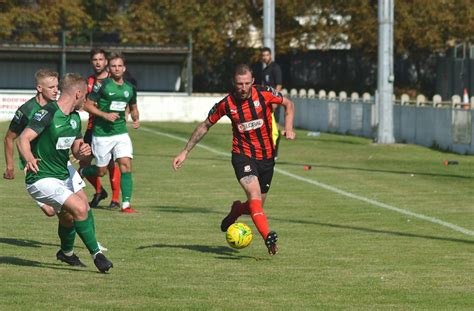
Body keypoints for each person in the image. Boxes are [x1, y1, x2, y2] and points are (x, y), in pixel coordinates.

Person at [172, 64, 295, 255]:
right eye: (239, 84)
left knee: (256, 206)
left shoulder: (265, 93)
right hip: (242, 155)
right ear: (233, 83)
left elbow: (289, 104)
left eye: (247, 83)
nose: (243, 88)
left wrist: (289, 127)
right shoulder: (227, 103)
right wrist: (185, 151)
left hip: (267, 158)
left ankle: (237, 209)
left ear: (253, 81)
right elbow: (205, 125)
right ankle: (267, 236)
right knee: (254, 195)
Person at [17, 73, 113, 273]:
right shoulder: (47, 112)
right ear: (77, 94)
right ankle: (98, 255)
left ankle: (66, 253)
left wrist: (84, 152)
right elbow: (23, 139)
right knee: (80, 208)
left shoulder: (75, 118)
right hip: (41, 178)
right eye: (85, 95)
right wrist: (29, 158)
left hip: (63, 174)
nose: (86, 100)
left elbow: (78, 151)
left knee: (70, 216)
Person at [81, 52, 140, 214]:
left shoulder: (130, 88)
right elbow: (88, 105)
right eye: (113, 66)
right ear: (110, 68)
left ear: (124, 68)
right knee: (101, 171)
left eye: (119, 66)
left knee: (126, 165)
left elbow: (134, 107)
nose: (117, 68)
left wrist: (136, 118)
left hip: (121, 133)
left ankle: (126, 205)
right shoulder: (102, 86)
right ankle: (83, 171)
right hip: (101, 134)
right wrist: (104, 115)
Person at [3, 69, 61, 217]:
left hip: (56, 162)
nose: (56, 91)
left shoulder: (59, 108)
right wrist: (10, 166)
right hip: (35, 165)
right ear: (39, 88)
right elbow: (9, 138)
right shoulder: (26, 110)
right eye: (51, 87)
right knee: (50, 211)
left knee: (69, 208)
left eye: (57, 86)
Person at [81, 48, 122, 209]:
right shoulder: (89, 81)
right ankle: (99, 191)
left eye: (101, 59)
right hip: (92, 128)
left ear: (106, 62)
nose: (98, 62)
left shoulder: (113, 80)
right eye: (95, 60)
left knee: (111, 164)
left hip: (109, 129)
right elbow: (85, 103)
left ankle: (116, 199)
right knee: (84, 163)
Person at [256, 47, 284, 159]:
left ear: (270, 55)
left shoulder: (275, 68)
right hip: (265, 103)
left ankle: (275, 154)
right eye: (263, 55)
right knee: (264, 127)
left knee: (275, 128)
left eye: (267, 55)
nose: (265, 57)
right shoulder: (264, 70)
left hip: (273, 102)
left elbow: (279, 85)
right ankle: (267, 151)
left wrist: (275, 101)